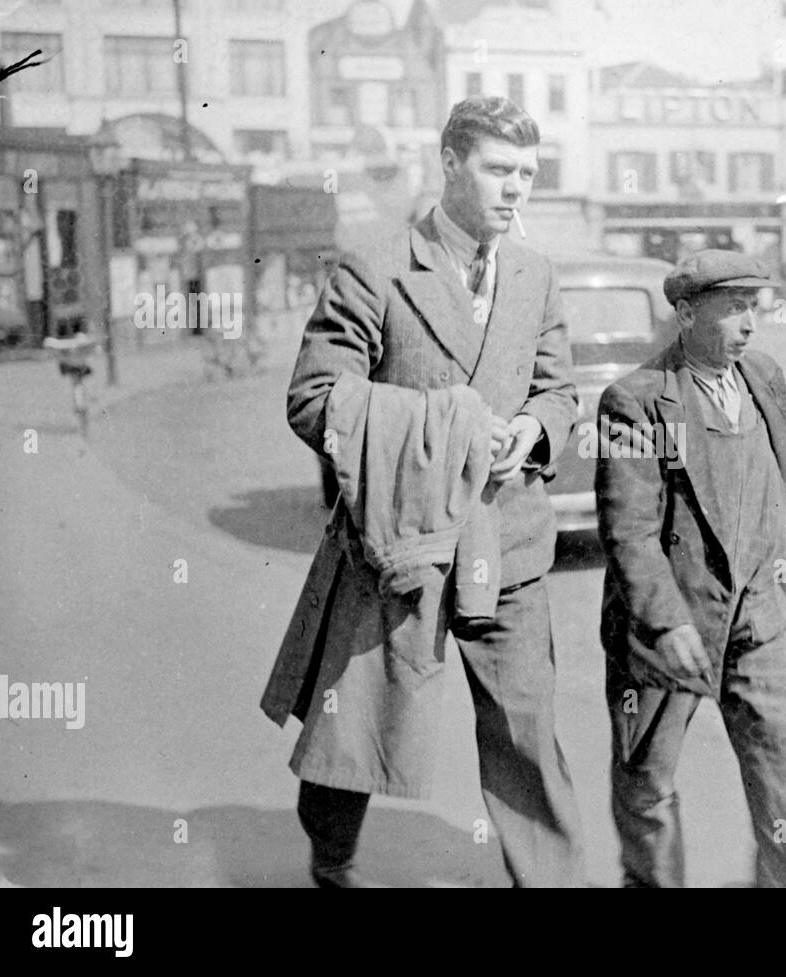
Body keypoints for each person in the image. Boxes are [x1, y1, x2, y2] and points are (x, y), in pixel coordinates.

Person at [260, 96, 585, 887]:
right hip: (397, 542)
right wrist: (444, 427)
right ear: (449, 163)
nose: (516, 190)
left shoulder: (537, 275)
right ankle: (331, 858)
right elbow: (313, 399)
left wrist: (533, 432)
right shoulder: (376, 267)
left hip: (506, 543)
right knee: (358, 723)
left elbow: (559, 391)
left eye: (528, 174)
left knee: (527, 733)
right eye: (498, 169)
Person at [594, 249, 786, 887]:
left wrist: (774, 563)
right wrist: (667, 625)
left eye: (754, 307)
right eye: (734, 309)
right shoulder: (636, 402)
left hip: (759, 615)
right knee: (648, 782)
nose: (750, 324)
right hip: (672, 625)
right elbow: (631, 533)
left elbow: (779, 476)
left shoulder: (763, 377)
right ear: (687, 312)